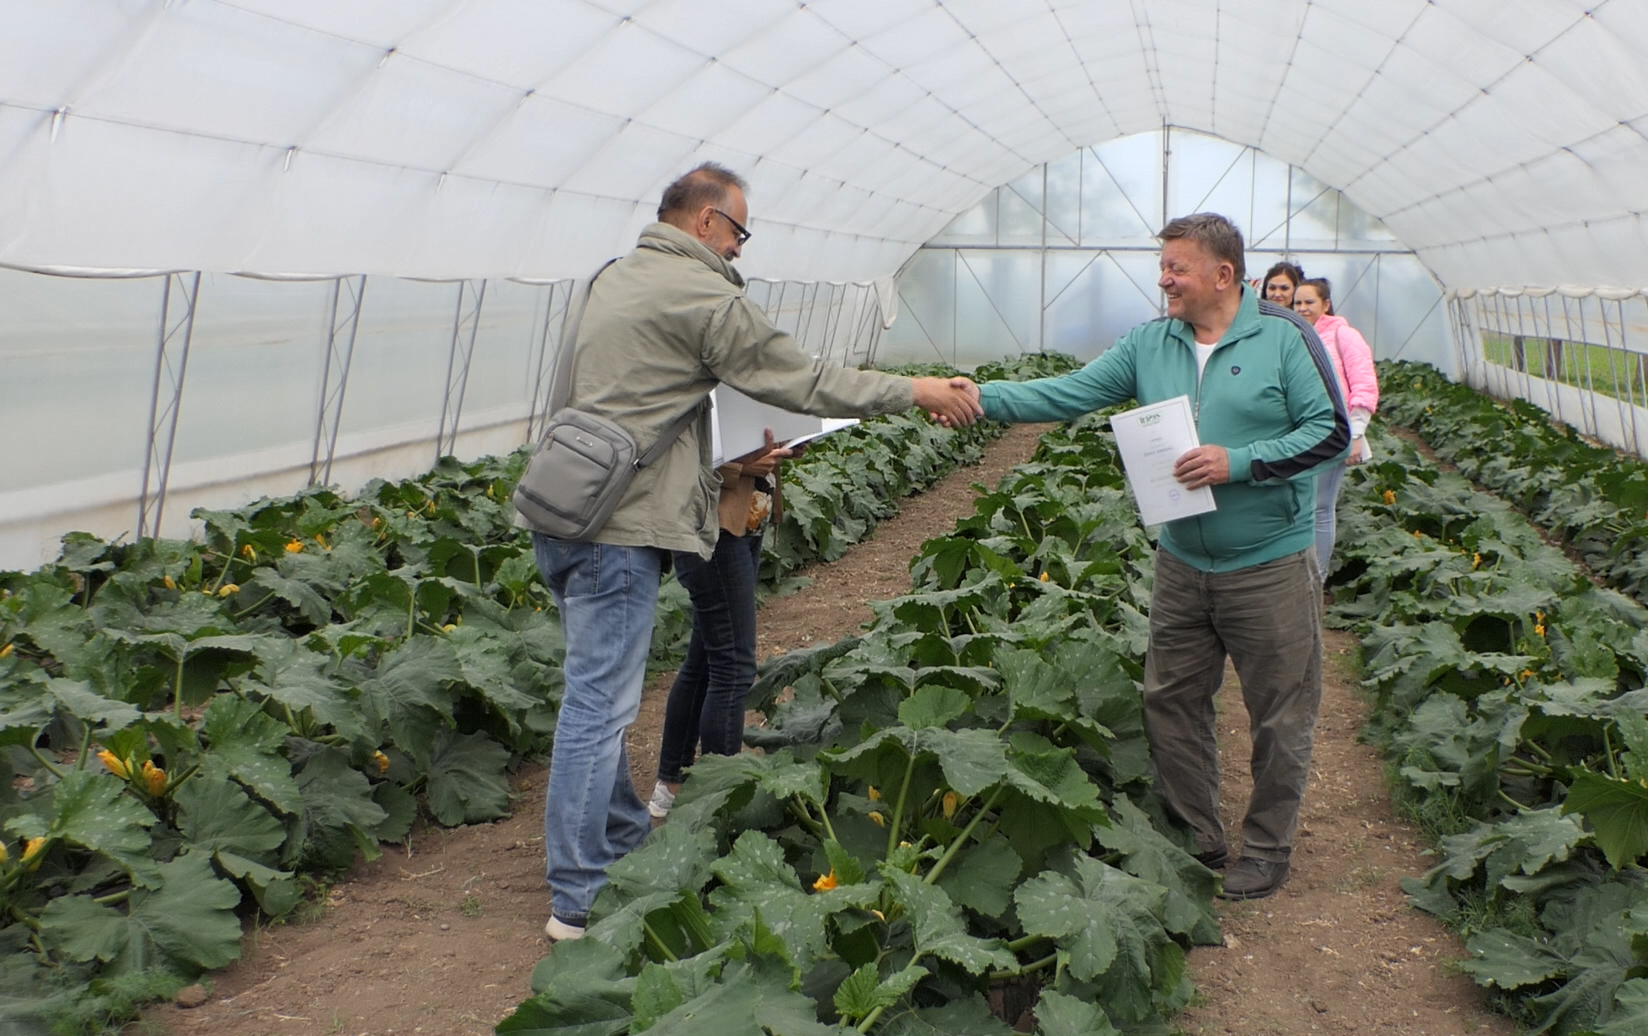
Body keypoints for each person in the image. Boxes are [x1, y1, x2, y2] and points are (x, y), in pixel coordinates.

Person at [531, 163, 983, 941]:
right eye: (739, 232)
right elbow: (798, 377)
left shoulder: (613, 278)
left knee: (594, 697)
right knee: (596, 710)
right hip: (619, 525)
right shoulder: (702, 292)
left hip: (564, 504)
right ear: (707, 223)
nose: (740, 250)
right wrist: (915, 391)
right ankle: (577, 896)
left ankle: (621, 841)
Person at [971, 213, 1347, 901]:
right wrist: (975, 398)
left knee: (1280, 711)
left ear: (1223, 275)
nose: (1164, 279)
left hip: (1268, 561)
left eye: (1176, 267)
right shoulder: (1152, 343)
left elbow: (1332, 434)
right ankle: (1197, 836)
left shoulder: (1284, 339)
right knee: (1171, 701)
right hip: (1181, 559)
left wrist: (1239, 462)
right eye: (1164, 266)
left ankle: (1266, 848)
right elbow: (1067, 393)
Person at [646, 428, 795, 820]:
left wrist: (787, 444)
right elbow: (678, 453)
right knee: (733, 666)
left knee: (706, 661)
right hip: (713, 532)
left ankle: (672, 784)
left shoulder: (745, 373)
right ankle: (720, 802)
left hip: (745, 525)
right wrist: (742, 466)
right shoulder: (695, 376)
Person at [1291, 279, 1378, 577]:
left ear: (1326, 304)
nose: (1302, 308)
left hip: (1334, 433)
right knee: (1303, 507)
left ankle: (1318, 576)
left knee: (1321, 507)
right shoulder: (1294, 335)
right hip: (1301, 433)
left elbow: (1364, 387)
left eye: (1309, 302)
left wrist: (1355, 435)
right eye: (1297, 303)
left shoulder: (1344, 335)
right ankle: (1302, 573)